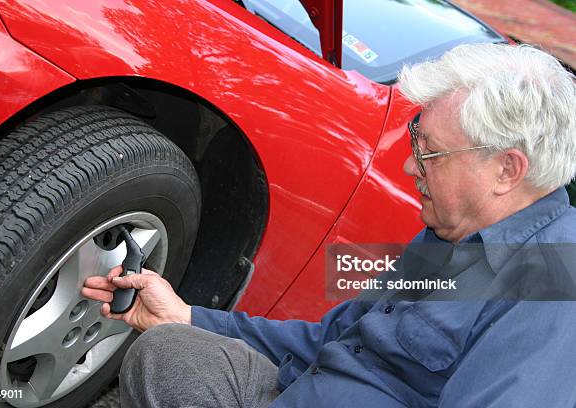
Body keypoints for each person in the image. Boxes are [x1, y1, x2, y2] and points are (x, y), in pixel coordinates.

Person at [82, 43, 576, 407]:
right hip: (301, 389)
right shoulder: (448, 233)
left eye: (431, 153)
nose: (410, 167)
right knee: (168, 350)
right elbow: (330, 339)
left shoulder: (554, 286)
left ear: (507, 171)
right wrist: (185, 315)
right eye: (415, 139)